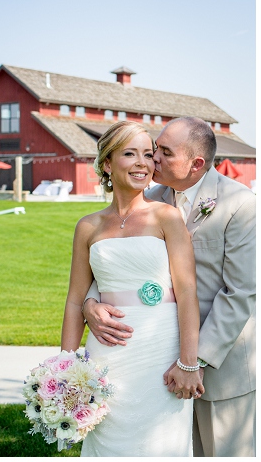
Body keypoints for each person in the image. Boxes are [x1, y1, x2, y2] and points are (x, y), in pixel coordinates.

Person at [83, 117, 256, 457]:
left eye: (163, 152)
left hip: (219, 363)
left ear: (196, 164)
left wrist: (193, 362)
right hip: (157, 362)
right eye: (153, 150)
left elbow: (240, 293)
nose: (152, 160)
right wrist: (91, 303)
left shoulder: (241, 205)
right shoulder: (150, 198)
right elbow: (116, 262)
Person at [59, 121, 202, 456]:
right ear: (107, 163)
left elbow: (187, 293)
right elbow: (74, 300)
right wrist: (65, 371)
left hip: (160, 351)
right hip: (106, 351)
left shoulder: (166, 217)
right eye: (130, 153)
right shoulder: (88, 226)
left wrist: (188, 362)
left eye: (148, 154)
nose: (142, 162)